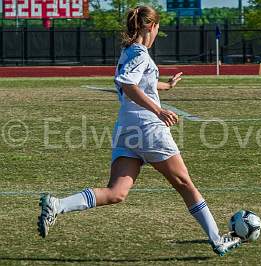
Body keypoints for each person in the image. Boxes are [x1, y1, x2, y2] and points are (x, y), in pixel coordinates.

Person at [37, 6, 241, 256]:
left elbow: (137, 80)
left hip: (126, 129)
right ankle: (217, 240)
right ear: (150, 27)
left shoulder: (129, 52)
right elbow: (128, 83)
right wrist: (158, 110)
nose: (157, 32)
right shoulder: (141, 54)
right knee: (185, 183)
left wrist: (165, 85)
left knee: (116, 192)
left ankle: (57, 205)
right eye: (157, 28)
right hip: (147, 128)